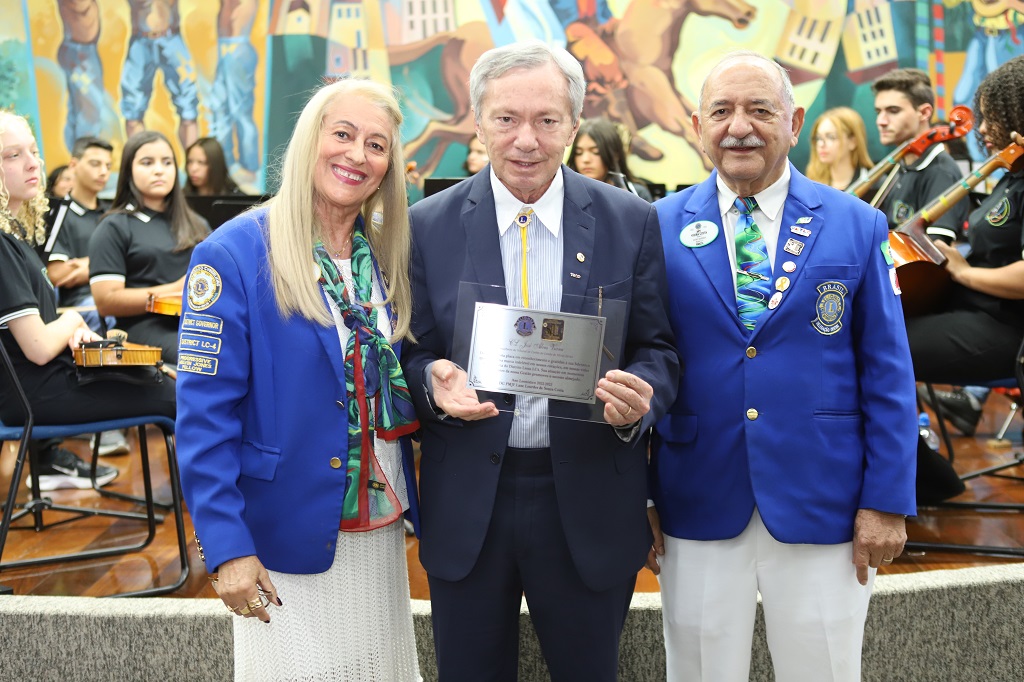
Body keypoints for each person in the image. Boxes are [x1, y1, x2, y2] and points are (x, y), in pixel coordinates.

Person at [405, 41, 679, 680]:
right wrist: (427, 382)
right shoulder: (426, 226)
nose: (525, 139)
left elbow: (659, 348)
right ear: (478, 121)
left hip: (586, 498)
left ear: (575, 124)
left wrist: (643, 393)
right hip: (470, 498)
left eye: (547, 120)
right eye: (506, 119)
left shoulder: (630, 222)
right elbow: (408, 353)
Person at [650, 51, 917, 681]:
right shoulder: (655, 228)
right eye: (721, 111)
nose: (739, 126)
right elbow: (641, 362)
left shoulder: (858, 225)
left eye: (760, 109)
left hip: (824, 499)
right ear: (697, 126)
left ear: (794, 122)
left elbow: (887, 371)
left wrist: (886, 501)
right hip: (696, 496)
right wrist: (638, 497)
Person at [175, 79, 422, 681]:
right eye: (342, 134)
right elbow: (204, 420)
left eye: (376, 145)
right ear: (309, 139)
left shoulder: (385, 255)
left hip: (380, 525)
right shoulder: (231, 254)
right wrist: (228, 549)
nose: (357, 155)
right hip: (282, 532)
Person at [0, 111, 175, 491]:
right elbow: (39, 348)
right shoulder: (2, 245)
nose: (34, 162)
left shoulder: (14, 239)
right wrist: (74, 324)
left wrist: (70, 333)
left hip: (45, 382)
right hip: (36, 394)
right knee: (174, 394)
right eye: (12, 155)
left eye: (32, 150)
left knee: (167, 380)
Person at [908, 56, 1024, 439]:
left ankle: (919, 476)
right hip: (975, 311)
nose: (985, 128)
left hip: (1007, 328)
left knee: (877, 351)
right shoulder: (1010, 174)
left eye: (995, 117)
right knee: (873, 330)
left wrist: (964, 271)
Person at [89, 131, 209, 365]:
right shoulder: (114, 226)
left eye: (167, 162)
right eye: (147, 162)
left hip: (199, 322)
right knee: (206, 355)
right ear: (128, 171)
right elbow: (106, 301)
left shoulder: (197, 223)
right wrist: (175, 289)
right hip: (143, 328)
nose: (159, 170)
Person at [43, 136, 127, 457]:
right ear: (74, 165)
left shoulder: (111, 216)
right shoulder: (62, 214)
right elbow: (58, 275)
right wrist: (96, 264)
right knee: (108, 320)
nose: (103, 172)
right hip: (78, 303)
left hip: (111, 295)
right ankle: (104, 428)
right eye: (95, 163)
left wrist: (84, 264)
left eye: (108, 165)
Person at [873, 68, 969, 244]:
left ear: (924, 113)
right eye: (878, 112)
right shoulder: (901, 165)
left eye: (893, 111)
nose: (881, 121)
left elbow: (933, 254)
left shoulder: (940, 171)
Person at [567, 117, 653, 200]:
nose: (586, 159)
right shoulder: (566, 194)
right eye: (579, 153)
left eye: (595, 152)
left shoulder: (636, 194)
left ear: (615, 155)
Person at [805, 106, 872, 190]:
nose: (821, 144)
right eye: (818, 138)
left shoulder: (873, 184)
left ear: (853, 142)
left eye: (830, 137)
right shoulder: (812, 185)